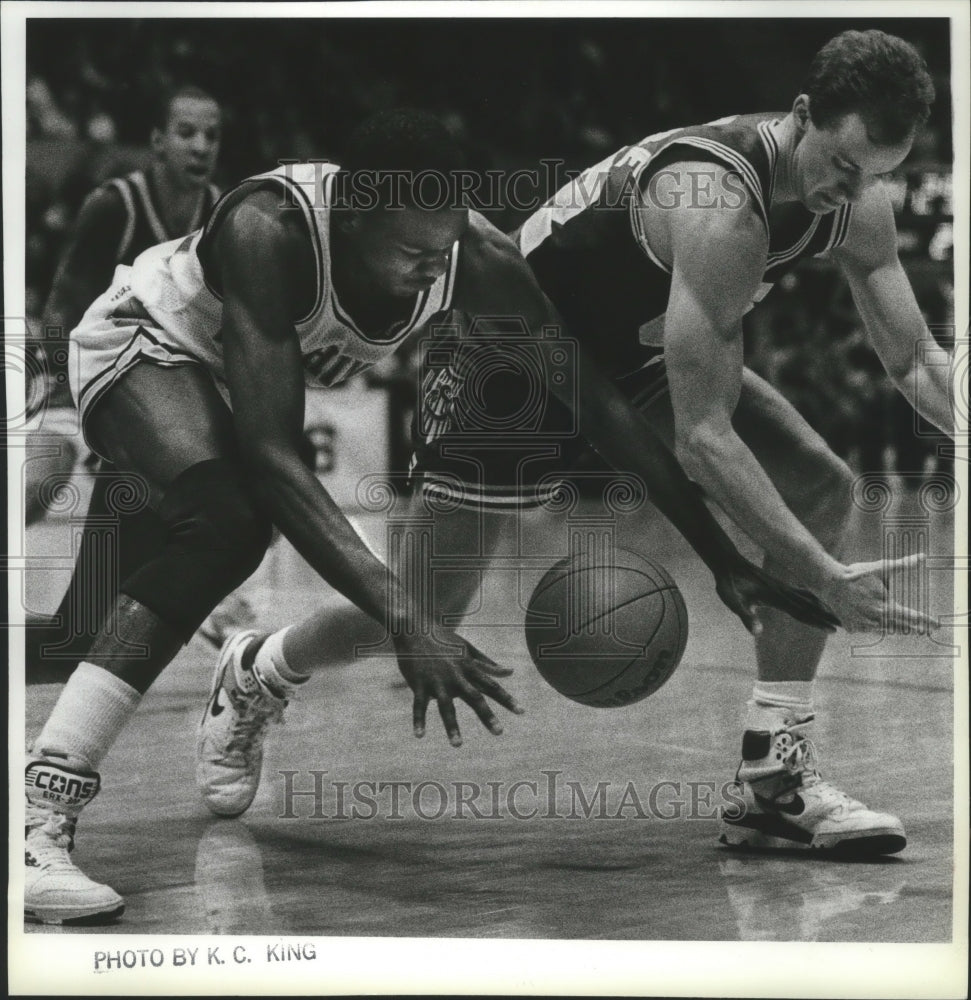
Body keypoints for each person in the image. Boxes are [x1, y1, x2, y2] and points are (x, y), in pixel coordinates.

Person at [25, 108, 843, 926]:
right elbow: (275, 463)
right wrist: (406, 621)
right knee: (231, 524)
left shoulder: (471, 257)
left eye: (442, 244)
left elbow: (595, 402)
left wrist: (718, 553)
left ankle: (242, 678)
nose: (431, 267)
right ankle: (39, 820)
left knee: (102, 611)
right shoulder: (263, 227)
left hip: (226, 388)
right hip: (146, 344)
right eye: (411, 251)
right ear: (353, 217)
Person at [194, 47, 943, 858]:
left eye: (872, 173)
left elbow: (910, 360)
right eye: (839, 163)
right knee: (425, 609)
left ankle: (773, 782)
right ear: (799, 113)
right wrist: (817, 572)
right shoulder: (718, 199)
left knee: (820, 487)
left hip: (633, 359)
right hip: (510, 362)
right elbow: (704, 437)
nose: (848, 187)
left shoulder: (857, 204)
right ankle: (259, 668)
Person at [25, 84, 226, 681]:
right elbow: (62, 301)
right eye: (188, 132)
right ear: (159, 142)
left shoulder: (221, 213)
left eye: (212, 135)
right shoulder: (114, 204)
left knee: (177, 499)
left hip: (153, 389)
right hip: (81, 375)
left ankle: (202, 615)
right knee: (39, 483)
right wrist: (70, 391)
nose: (202, 146)